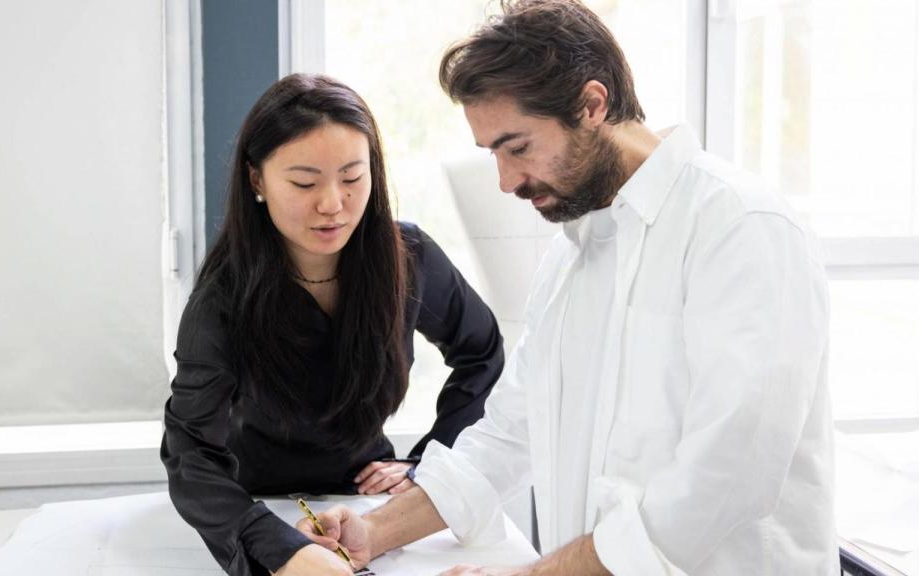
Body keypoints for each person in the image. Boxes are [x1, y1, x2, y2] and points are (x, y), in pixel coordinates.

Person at [298, 1, 837, 574]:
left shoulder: (740, 228)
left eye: (518, 147)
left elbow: (731, 474)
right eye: (494, 155)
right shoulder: (570, 257)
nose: (506, 181)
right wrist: (374, 530)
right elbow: (509, 433)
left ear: (592, 104)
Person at [160, 73, 505, 576]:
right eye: (304, 182)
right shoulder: (223, 296)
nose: (332, 204)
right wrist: (277, 548)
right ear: (257, 181)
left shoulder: (408, 257)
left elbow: (482, 353)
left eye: (351, 177)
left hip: (368, 510)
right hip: (250, 505)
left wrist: (432, 459)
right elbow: (189, 450)